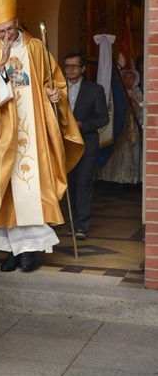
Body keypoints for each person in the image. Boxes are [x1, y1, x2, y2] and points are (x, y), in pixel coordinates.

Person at [0, 0, 84, 273]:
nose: (7, 35)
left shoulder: (35, 47)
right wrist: (1, 65)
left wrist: (56, 95)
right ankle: (11, 251)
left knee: (31, 191)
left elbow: (54, 80)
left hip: (34, 130)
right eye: (1, 32)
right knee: (8, 192)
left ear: (17, 22)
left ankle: (29, 253)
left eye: (11, 29)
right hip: (4, 134)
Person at [64, 52, 109, 240]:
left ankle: (81, 225)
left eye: (74, 66)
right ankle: (71, 222)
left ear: (83, 69)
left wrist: (82, 125)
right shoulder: (55, 89)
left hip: (86, 145)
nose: (70, 70)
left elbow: (102, 118)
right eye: (67, 66)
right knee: (69, 184)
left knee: (83, 184)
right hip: (64, 145)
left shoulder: (95, 90)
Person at [96, 68, 143, 184]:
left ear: (135, 79)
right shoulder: (118, 93)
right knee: (118, 149)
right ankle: (115, 177)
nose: (128, 80)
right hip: (120, 125)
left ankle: (131, 178)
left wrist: (134, 107)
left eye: (131, 78)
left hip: (133, 125)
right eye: (125, 78)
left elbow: (140, 109)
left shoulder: (138, 93)